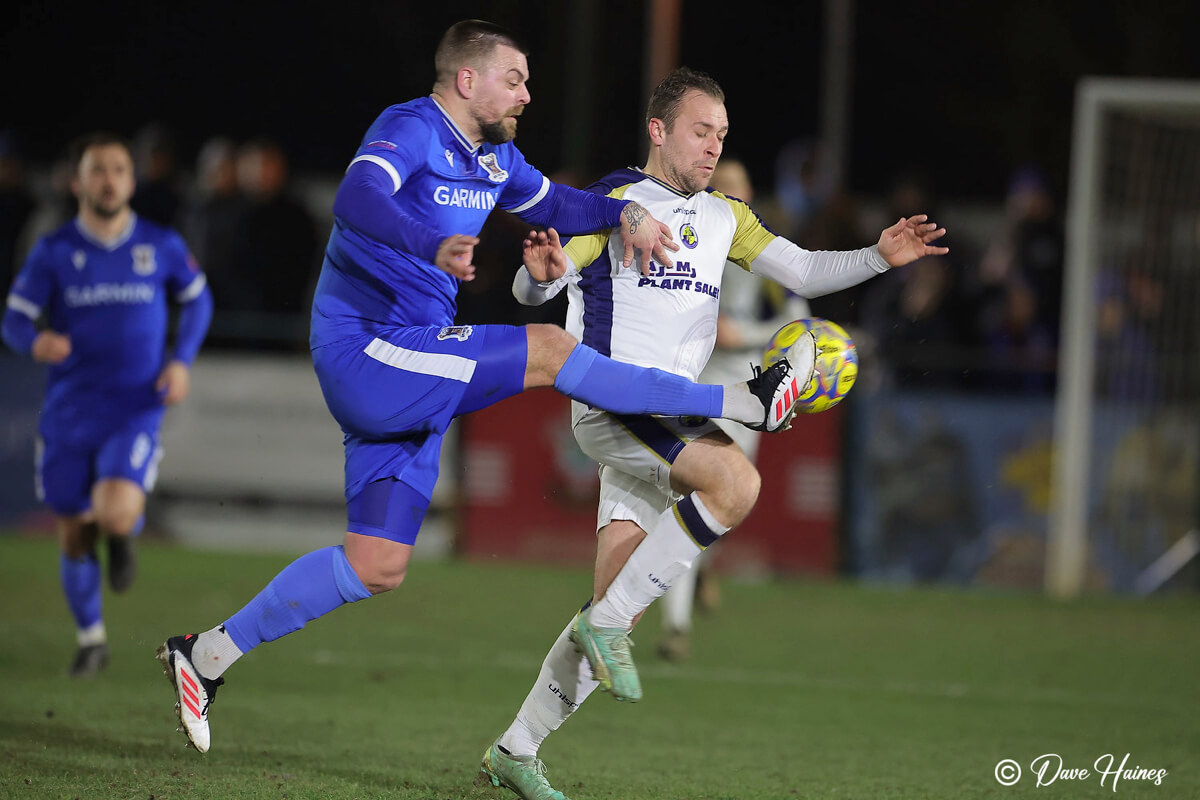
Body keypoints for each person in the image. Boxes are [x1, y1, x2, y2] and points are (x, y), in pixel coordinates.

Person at [155, 21, 807, 755]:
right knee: (552, 349)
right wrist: (427, 241)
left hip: (410, 366)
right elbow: (357, 195)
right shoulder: (412, 127)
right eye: (515, 79)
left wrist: (623, 210)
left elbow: (558, 206)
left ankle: (204, 656)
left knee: (377, 564)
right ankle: (740, 401)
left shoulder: (494, 157)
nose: (527, 93)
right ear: (468, 80)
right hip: (370, 346)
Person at [481, 67, 947, 800]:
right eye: (701, 131)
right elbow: (538, 279)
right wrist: (536, 279)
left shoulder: (729, 215)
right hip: (614, 401)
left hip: (663, 419)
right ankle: (610, 624)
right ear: (658, 129)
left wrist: (876, 258)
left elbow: (801, 268)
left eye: (722, 135)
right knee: (738, 482)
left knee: (612, 599)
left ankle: (517, 747)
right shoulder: (613, 203)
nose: (713, 146)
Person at [1, 131, 213, 678]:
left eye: (119, 169)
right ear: (78, 181)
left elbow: (197, 300)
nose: (109, 179)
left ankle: (120, 535)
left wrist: (181, 360)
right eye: (98, 170)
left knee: (116, 510)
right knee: (72, 529)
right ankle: (91, 640)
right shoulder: (54, 251)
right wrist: (34, 341)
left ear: (131, 180)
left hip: (136, 405)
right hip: (70, 409)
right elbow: (15, 318)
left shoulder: (160, 244)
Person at [655, 156, 811, 663]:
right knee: (688, 497)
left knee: (729, 499)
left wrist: (768, 332)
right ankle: (675, 627)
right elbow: (701, 323)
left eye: (742, 190)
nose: (735, 199)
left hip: (748, 389)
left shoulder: (757, 247)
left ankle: (701, 570)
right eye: (725, 189)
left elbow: (798, 311)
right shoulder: (684, 239)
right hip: (696, 384)